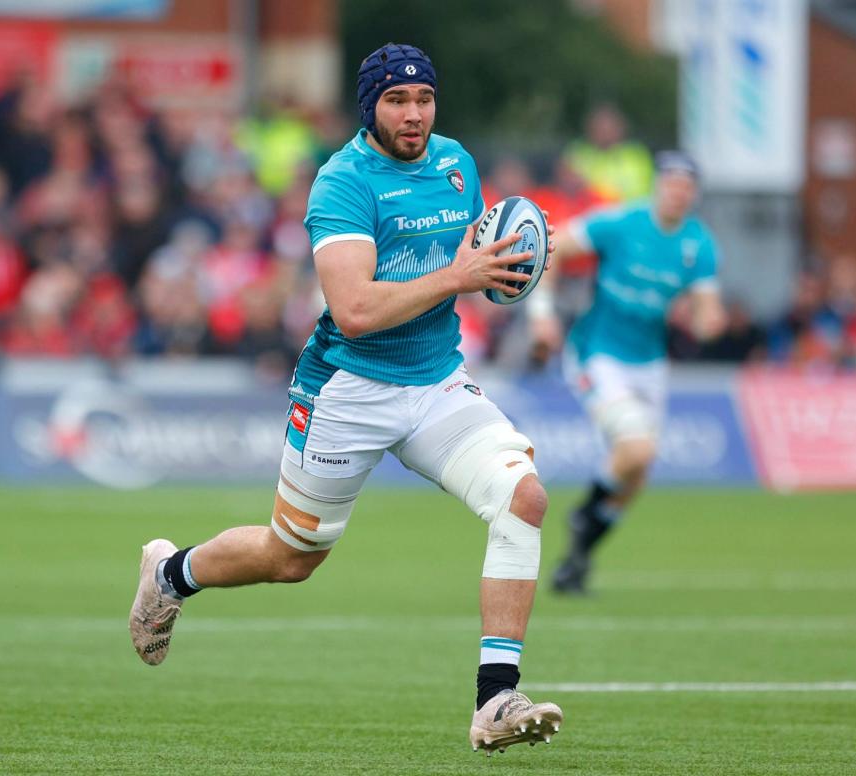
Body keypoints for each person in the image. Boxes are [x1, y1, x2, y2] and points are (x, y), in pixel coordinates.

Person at [130, 43, 563, 757]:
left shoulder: (457, 164)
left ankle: (495, 700)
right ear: (371, 107)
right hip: (348, 387)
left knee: (526, 499)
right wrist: (461, 277)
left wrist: (513, 283)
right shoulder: (342, 182)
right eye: (397, 101)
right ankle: (170, 572)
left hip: (436, 384)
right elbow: (356, 309)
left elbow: (486, 258)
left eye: (424, 99)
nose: (414, 114)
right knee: (292, 556)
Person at [529, 151, 726, 595]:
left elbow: (705, 313)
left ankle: (576, 559)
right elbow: (553, 246)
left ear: (694, 195)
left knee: (636, 475)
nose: (677, 192)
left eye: (686, 186)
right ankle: (585, 515)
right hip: (597, 353)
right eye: (670, 183)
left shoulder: (700, 245)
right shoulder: (620, 223)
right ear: (657, 186)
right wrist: (542, 313)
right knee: (635, 450)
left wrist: (706, 322)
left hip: (650, 363)